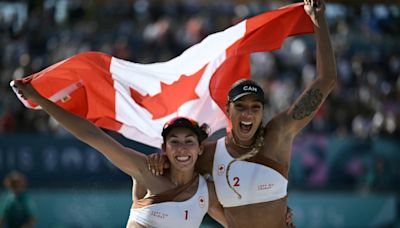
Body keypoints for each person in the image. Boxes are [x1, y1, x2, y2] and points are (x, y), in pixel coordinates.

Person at [147, 0, 337, 227]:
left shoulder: (277, 135)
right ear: (228, 110)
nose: (248, 114)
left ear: (262, 111)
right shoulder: (208, 154)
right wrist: (158, 162)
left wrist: (319, 20)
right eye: (240, 107)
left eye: (255, 107)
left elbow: (326, 81)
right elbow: (172, 166)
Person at [12, 80, 229, 227]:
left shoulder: (207, 192)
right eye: (174, 142)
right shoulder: (146, 170)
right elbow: (92, 136)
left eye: (189, 141)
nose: (181, 148)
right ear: (164, 148)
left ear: (200, 148)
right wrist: (40, 100)